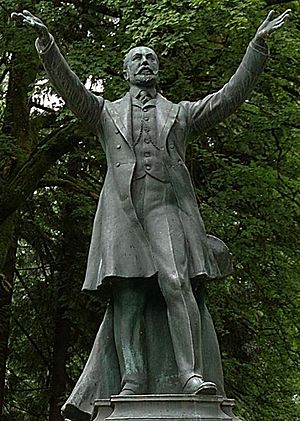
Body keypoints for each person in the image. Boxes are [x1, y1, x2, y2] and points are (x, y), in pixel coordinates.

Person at [12, 7, 290, 419]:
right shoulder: (105, 112)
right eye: (137, 58)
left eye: (151, 58)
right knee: (128, 294)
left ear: (158, 71)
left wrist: (257, 46)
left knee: (176, 282)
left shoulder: (179, 114)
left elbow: (228, 96)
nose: (145, 61)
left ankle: (190, 375)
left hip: (166, 209)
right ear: (126, 72)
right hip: (122, 214)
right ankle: (132, 381)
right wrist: (47, 44)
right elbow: (69, 88)